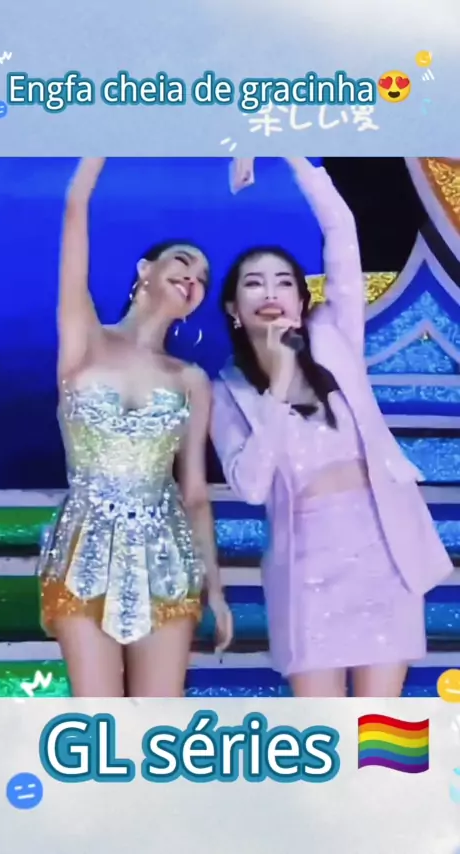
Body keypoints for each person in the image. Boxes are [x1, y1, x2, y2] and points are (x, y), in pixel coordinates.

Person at [210, 156, 452, 698]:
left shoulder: (333, 339)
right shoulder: (228, 390)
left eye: (283, 282)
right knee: (324, 729)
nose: (270, 293)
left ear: (302, 302)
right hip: (307, 566)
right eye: (254, 284)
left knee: (382, 730)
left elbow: (341, 230)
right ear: (233, 308)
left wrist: (291, 152)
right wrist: (277, 384)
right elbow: (251, 486)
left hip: (383, 548)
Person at [38, 157, 233, 697]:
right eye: (182, 262)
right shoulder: (85, 339)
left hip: (167, 556)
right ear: (145, 269)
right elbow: (75, 211)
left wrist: (215, 588)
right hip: (83, 548)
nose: (192, 278)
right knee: (97, 715)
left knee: (157, 724)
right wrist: (103, 142)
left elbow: (195, 493)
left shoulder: (190, 379)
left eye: (202, 279)